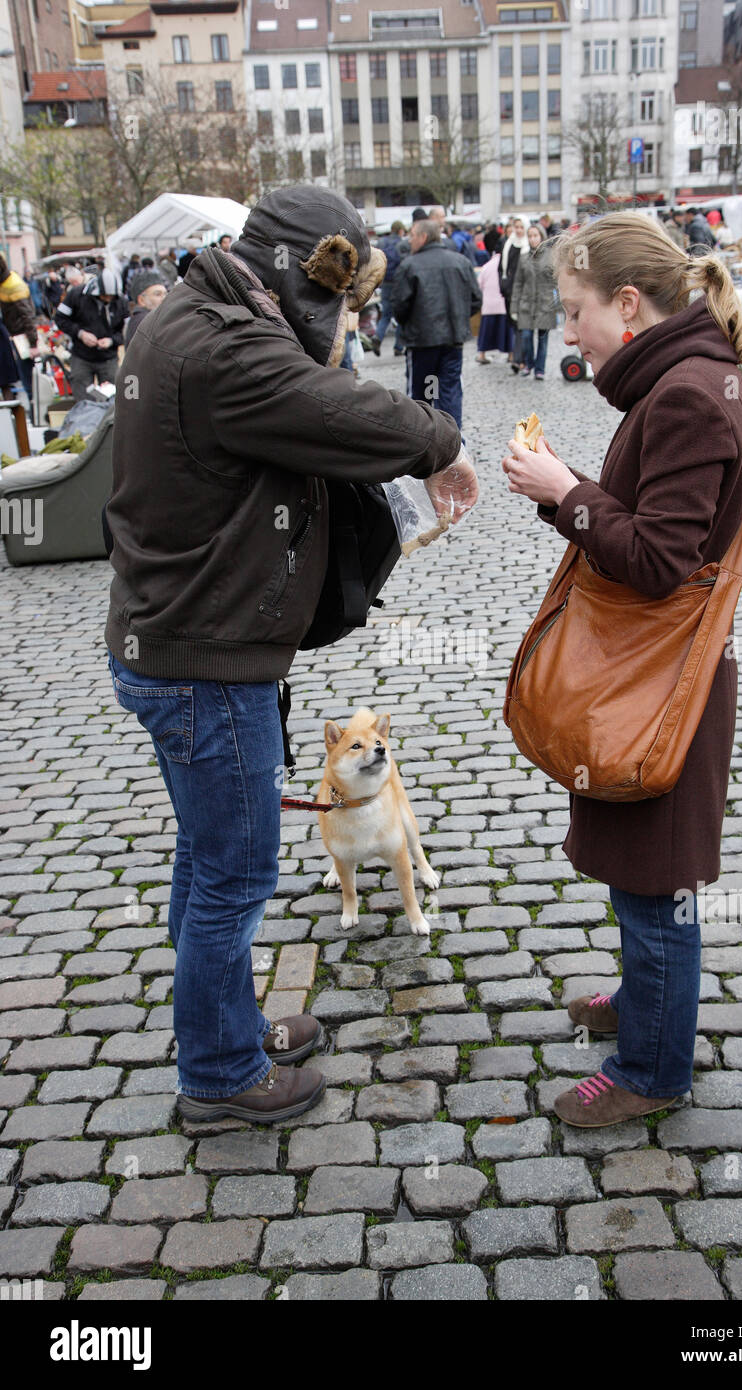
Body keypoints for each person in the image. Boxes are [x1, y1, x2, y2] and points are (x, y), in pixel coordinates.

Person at [103, 185, 478, 1124]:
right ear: (304, 280)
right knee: (234, 874)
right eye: (341, 307)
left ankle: (222, 1029)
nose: (343, 327)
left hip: (190, 640)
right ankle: (222, 1075)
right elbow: (342, 410)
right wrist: (441, 441)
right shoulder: (228, 345)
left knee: (208, 859)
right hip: (205, 659)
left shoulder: (197, 309)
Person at [501, 213, 742, 1127]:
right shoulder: (677, 382)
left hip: (664, 684)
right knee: (642, 873)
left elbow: (656, 558)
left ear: (625, 301)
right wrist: (567, 487)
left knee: (658, 886)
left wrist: (564, 493)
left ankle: (653, 1069)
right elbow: (652, 525)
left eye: (575, 313)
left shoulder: (688, 395)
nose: (568, 333)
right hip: (654, 673)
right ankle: (644, 996)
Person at [391, 218, 481, 430]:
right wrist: (458, 317)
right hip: (450, 339)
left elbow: (400, 306)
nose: (409, 241)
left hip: (423, 342)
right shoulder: (460, 262)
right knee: (447, 392)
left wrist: (410, 324)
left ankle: (426, 441)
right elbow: (475, 299)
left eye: (412, 236)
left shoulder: (410, 265)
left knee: (423, 396)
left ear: (423, 237)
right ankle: (452, 443)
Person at [54, 268, 128, 401]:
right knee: (83, 398)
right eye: (104, 295)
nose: (107, 299)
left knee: (112, 399)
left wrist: (112, 341)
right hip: (81, 356)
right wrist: (80, 333)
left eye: (111, 297)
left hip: (108, 358)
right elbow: (60, 318)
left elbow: (127, 331)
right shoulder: (76, 295)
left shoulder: (121, 302)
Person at [510, 223, 557, 380]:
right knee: (526, 337)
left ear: (541, 236)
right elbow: (518, 283)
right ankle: (529, 364)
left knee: (543, 339)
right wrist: (514, 306)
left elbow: (557, 280)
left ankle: (539, 369)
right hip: (527, 303)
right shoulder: (524, 258)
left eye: (535, 235)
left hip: (545, 303)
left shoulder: (551, 257)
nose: (532, 239)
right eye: (530, 236)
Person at [0, 253, 39, 398]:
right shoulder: (6, 283)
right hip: (16, 336)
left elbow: (27, 316)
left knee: (29, 382)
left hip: (22, 338)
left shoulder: (13, 286)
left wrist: (33, 343)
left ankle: (36, 415)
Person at [499, 216, 530, 372]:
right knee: (515, 326)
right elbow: (502, 268)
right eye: (516, 226)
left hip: (524, 293)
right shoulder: (509, 244)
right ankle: (518, 357)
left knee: (522, 327)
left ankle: (520, 359)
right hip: (510, 292)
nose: (518, 230)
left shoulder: (528, 246)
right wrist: (503, 286)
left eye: (520, 227)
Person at [375, 220, 409, 355]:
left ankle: (377, 336)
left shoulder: (381, 243)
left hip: (385, 283)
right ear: (401, 231)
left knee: (386, 315)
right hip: (399, 284)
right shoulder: (403, 244)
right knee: (401, 315)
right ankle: (398, 347)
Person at [476, 251, 513, 364]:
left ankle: (481, 354)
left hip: (488, 305)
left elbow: (479, 285)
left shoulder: (486, 267)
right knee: (508, 332)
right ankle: (511, 355)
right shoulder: (508, 265)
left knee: (486, 332)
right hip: (504, 304)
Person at [124, 271, 167, 346]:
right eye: (158, 294)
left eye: (165, 294)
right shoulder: (144, 321)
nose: (164, 298)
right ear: (141, 300)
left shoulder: (146, 319)